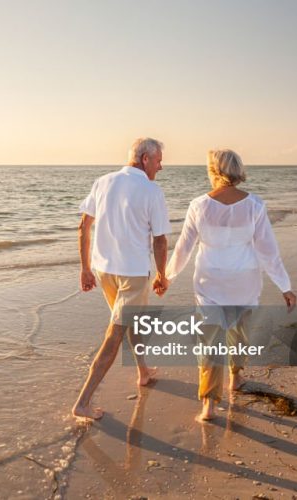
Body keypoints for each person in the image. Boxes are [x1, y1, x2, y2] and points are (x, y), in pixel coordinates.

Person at [166, 149, 297, 421]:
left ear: (214, 170)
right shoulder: (255, 205)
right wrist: (285, 285)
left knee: (210, 341)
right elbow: (268, 252)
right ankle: (235, 379)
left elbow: (183, 249)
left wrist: (166, 276)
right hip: (244, 281)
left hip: (209, 281)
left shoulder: (199, 205)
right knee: (239, 332)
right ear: (237, 170)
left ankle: (209, 405)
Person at [72, 137, 172, 420]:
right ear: (145, 159)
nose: (161, 166)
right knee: (115, 334)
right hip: (133, 275)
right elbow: (160, 240)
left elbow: (83, 227)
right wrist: (163, 275)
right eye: (159, 160)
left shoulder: (102, 181)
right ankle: (82, 402)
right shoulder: (152, 191)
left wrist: (85, 268)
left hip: (104, 271)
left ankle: (143, 372)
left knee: (129, 322)